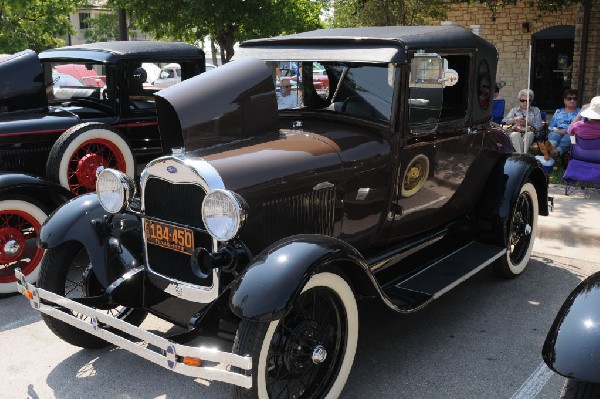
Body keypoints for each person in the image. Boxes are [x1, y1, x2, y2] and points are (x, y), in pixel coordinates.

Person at [502, 89, 543, 153]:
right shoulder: (514, 110)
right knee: (515, 135)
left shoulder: (535, 110)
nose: (525, 102)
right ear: (519, 100)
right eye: (522, 100)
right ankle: (523, 155)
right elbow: (504, 121)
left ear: (531, 101)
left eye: (528, 101)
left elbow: (539, 126)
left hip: (530, 131)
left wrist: (528, 123)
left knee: (529, 135)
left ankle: (521, 156)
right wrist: (515, 119)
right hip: (516, 131)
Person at [544, 89, 580, 157]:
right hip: (559, 131)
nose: (572, 101)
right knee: (554, 134)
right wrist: (559, 130)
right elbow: (551, 127)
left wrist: (569, 131)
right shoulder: (558, 112)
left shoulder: (580, 112)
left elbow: (582, 127)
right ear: (565, 101)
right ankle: (550, 147)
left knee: (569, 137)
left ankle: (556, 151)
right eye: (569, 98)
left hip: (573, 135)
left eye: (575, 98)